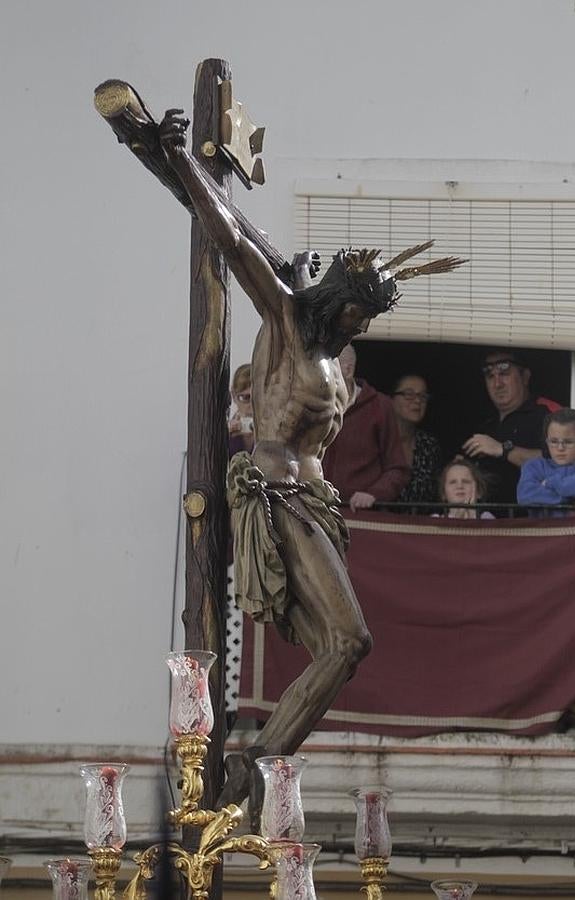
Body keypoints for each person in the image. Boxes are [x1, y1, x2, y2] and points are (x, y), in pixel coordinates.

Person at [159, 109, 463, 811]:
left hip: (314, 505)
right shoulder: (289, 321)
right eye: (357, 313)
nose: (362, 326)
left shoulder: (332, 359)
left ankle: (257, 763)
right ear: (335, 298)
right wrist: (185, 163)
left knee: (346, 647)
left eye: (369, 319)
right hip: (276, 493)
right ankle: (254, 765)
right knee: (350, 640)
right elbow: (234, 242)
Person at [322, 345, 409, 511]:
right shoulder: (315, 406)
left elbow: (397, 469)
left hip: (362, 516)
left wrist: (374, 494)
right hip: (318, 512)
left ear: (348, 370)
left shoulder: (379, 407)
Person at [462, 349, 549, 505]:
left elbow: (559, 465)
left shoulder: (545, 417)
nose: (497, 384)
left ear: (525, 377)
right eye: (490, 376)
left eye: (504, 374)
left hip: (528, 519)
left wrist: (503, 450)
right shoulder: (485, 426)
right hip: (485, 518)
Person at [517, 408, 575, 509]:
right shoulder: (534, 467)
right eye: (554, 441)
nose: (560, 448)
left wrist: (549, 482)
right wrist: (574, 495)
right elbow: (525, 496)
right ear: (547, 442)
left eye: (568, 442)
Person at [392, 374, 442, 503]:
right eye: (409, 394)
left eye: (423, 396)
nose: (417, 401)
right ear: (391, 399)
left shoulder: (429, 445)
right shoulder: (376, 440)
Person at [229, 363, 254, 456]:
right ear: (234, 396)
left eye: (257, 399)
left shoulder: (273, 434)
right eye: (245, 398)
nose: (251, 405)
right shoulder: (227, 434)